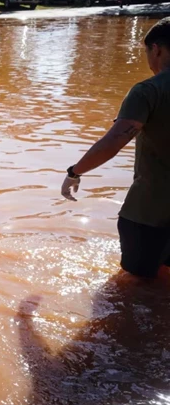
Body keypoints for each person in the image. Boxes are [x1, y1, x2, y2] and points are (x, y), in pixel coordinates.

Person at [60, 18, 170, 279]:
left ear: (156, 49)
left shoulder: (148, 91)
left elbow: (114, 141)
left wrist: (75, 172)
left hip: (149, 212)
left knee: (135, 288)